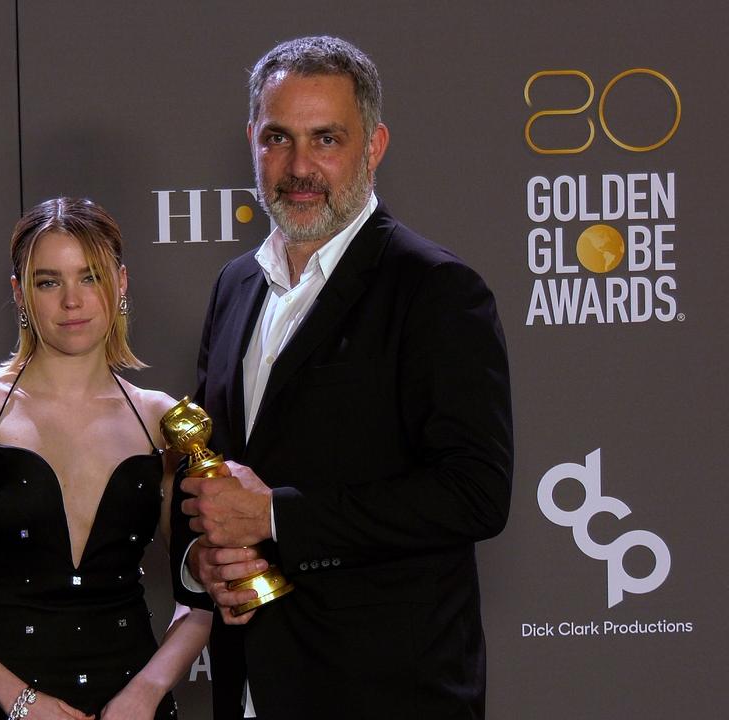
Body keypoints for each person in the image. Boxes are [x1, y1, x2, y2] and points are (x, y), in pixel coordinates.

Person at [171, 37, 514, 719]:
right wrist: (201, 566)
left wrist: (274, 515)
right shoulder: (235, 286)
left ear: (374, 144)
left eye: (326, 139)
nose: (300, 167)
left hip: (385, 691)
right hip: (251, 686)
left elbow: (475, 493)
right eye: (279, 138)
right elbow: (217, 471)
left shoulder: (435, 289)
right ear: (252, 139)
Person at [0, 198, 212, 719]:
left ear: (122, 283)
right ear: (19, 293)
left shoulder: (162, 421)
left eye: (90, 277)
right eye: (49, 281)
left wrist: (148, 691)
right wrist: (18, 701)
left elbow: (203, 589)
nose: (73, 300)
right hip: (1, 709)